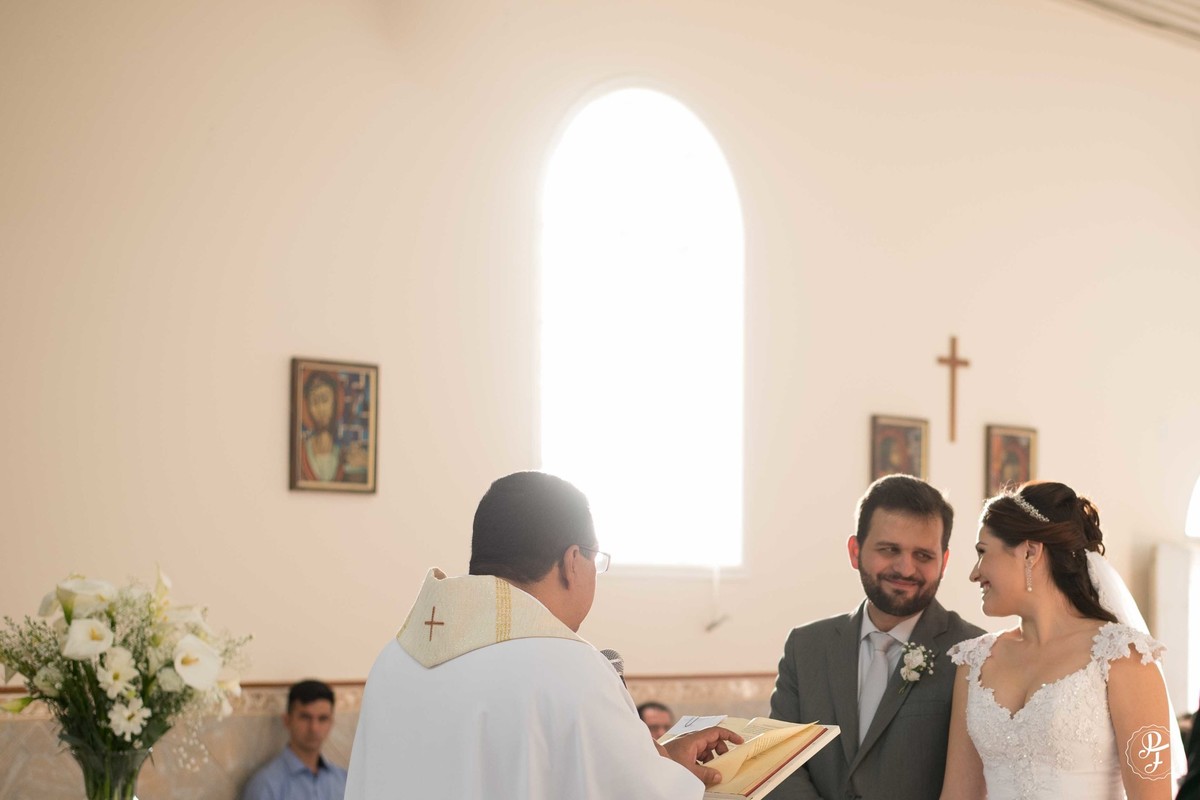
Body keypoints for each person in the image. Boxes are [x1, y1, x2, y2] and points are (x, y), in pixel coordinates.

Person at [344, 471, 741, 799]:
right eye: (595, 561)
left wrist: (661, 763)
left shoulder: (394, 659)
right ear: (572, 562)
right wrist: (680, 783)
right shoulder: (571, 668)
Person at [940, 482, 1187, 799]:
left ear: (1030, 551)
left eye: (982, 553)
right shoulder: (974, 662)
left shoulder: (1124, 658)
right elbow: (958, 794)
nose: (975, 573)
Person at [769, 474, 985, 800]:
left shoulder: (973, 652)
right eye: (889, 549)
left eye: (923, 555)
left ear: (944, 562)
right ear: (855, 551)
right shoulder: (806, 647)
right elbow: (780, 763)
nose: (906, 569)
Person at [242, 679, 348, 800]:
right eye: (305, 717)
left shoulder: (343, 780)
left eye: (322, 719)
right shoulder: (266, 785)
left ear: (331, 722)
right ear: (287, 720)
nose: (314, 728)